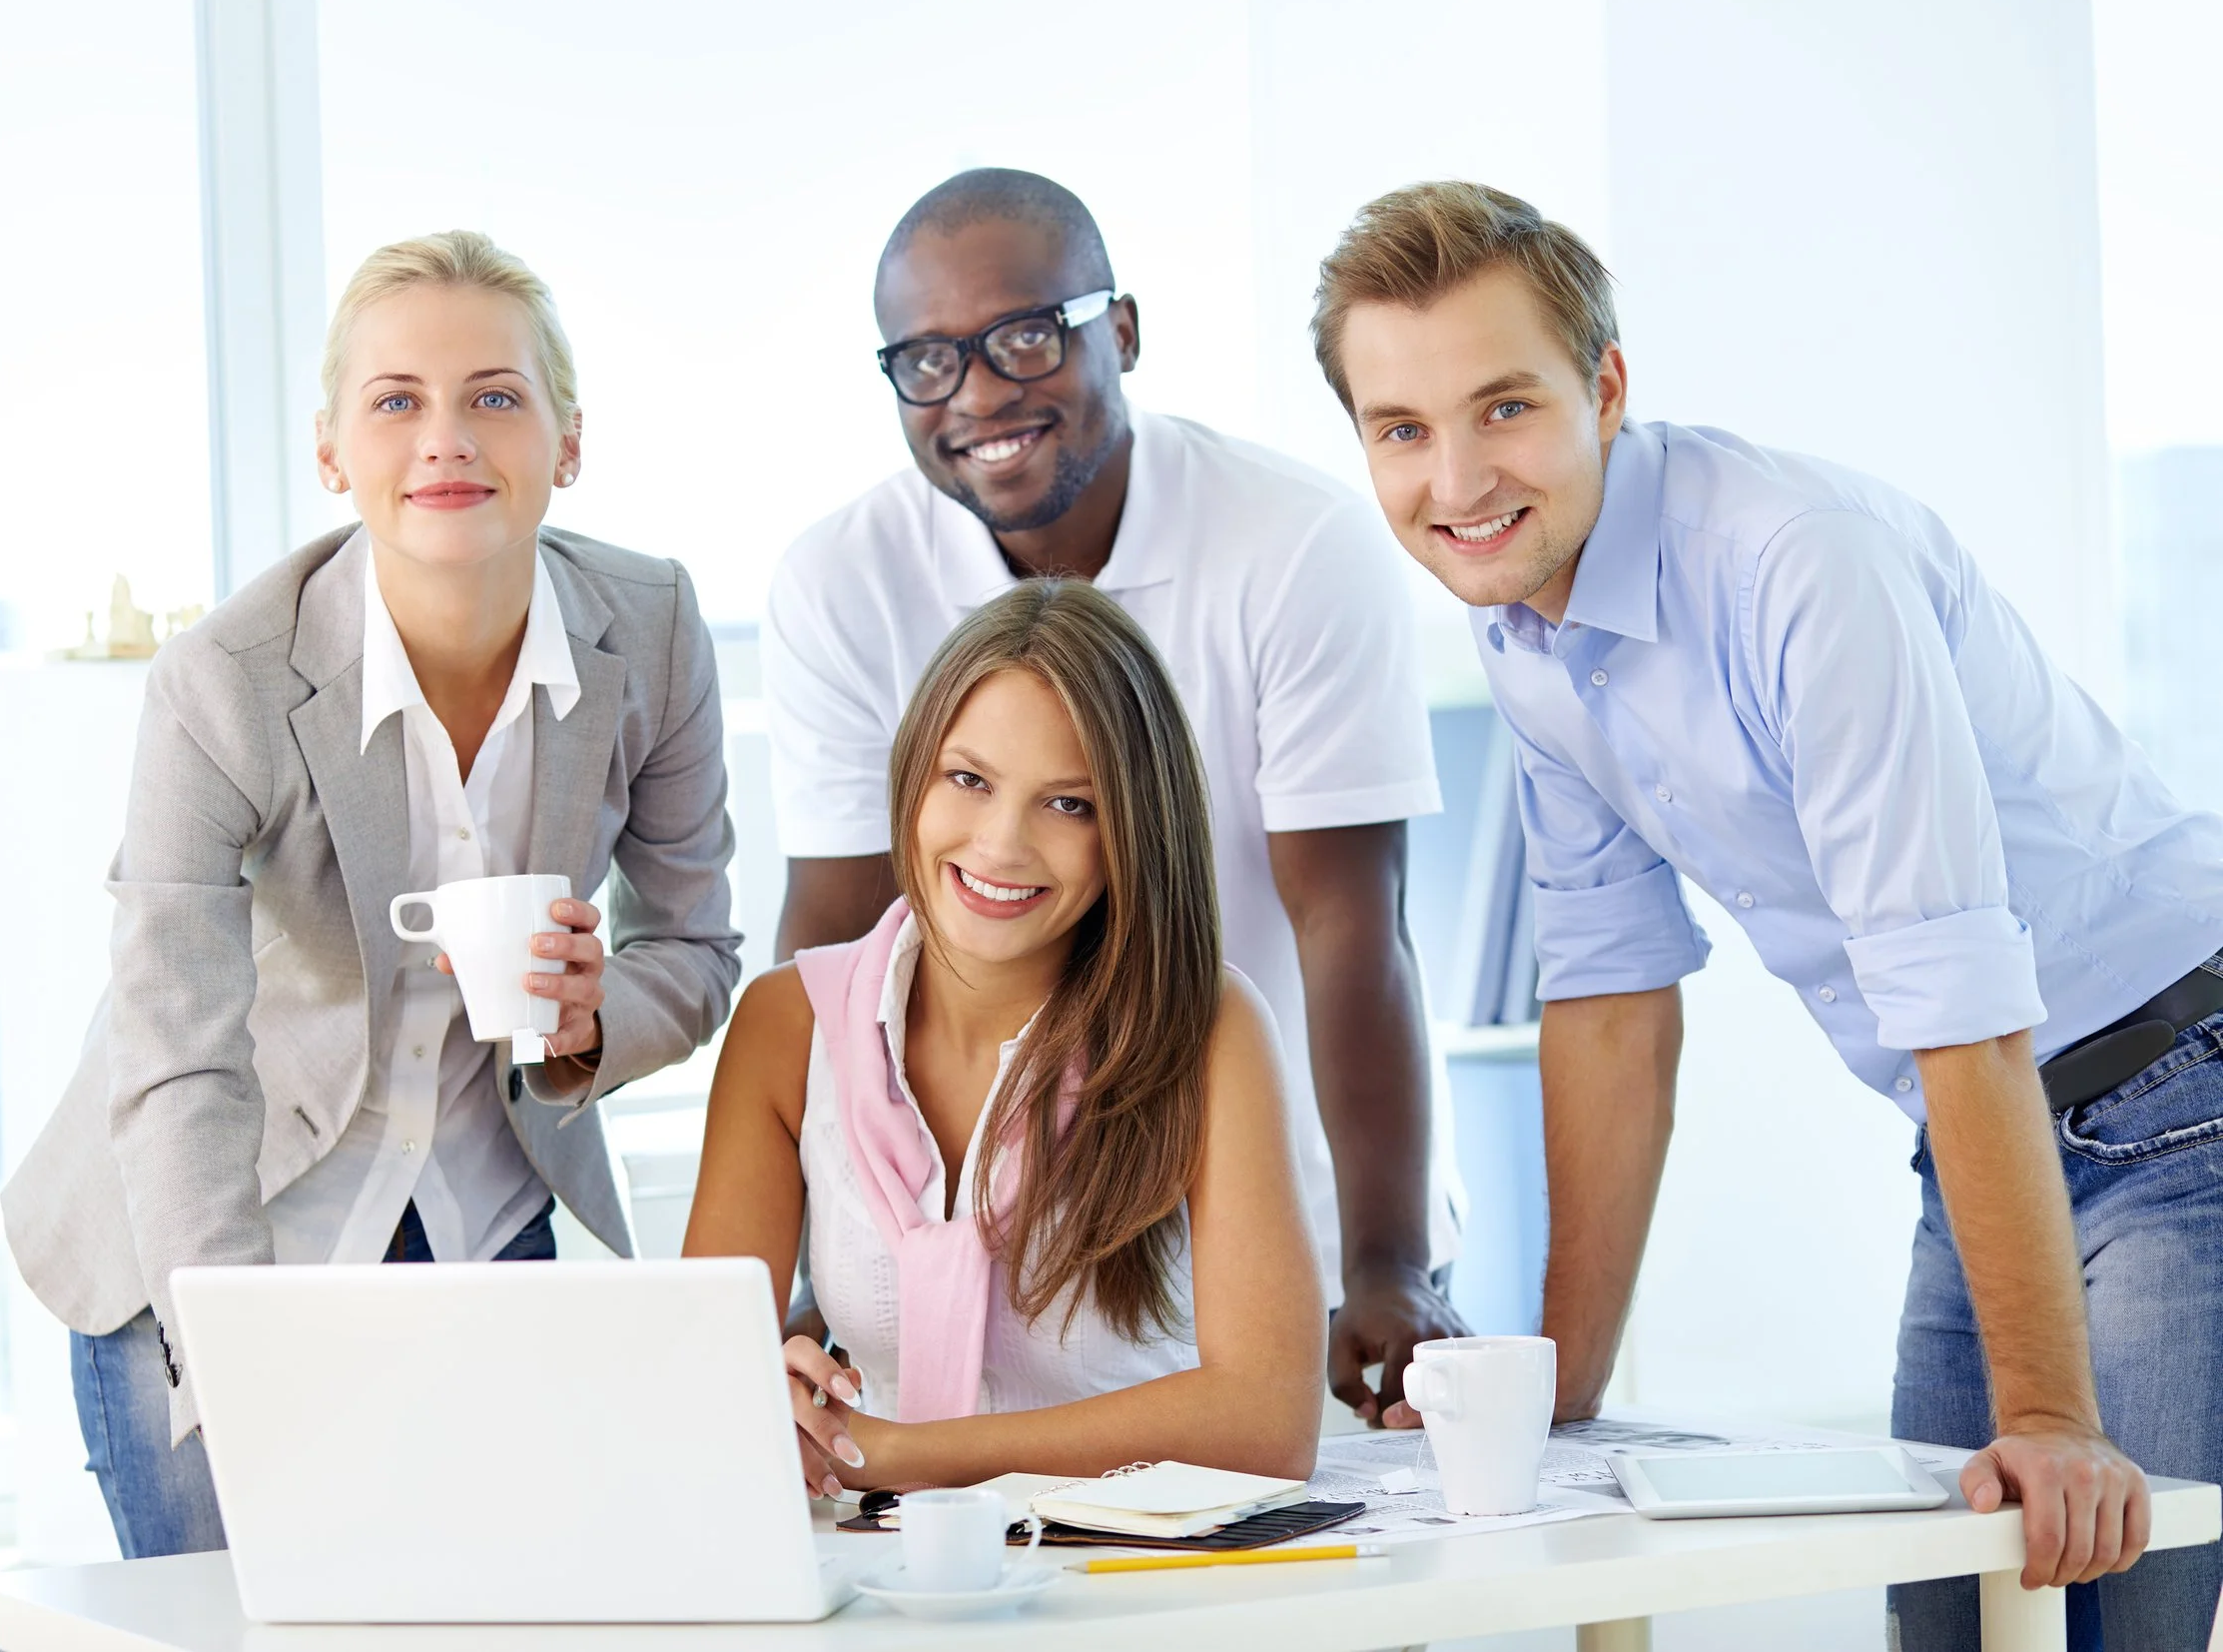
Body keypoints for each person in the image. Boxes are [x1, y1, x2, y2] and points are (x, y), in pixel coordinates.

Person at [1310, 179, 2223, 1650]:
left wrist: (2051, 1411)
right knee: (1951, 1623)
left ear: (1604, 388)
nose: (1459, 477)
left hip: (2179, 1101)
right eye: (1401, 430)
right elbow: (1610, 1004)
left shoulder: (1796, 564)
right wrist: (1559, 1408)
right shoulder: (1526, 632)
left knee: (2102, 1601)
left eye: (1504, 408)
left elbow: (1960, 986)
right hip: (1979, 1130)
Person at [1, 231, 740, 1558]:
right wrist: (235, 1346)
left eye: (495, 396)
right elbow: (177, 1053)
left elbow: (692, 948)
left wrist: (588, 1019)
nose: (446, 438)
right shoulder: (226, 680)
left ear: (569, 439)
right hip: (219, 1223)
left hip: (482, 1217)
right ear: (333, 452)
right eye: (397, 400)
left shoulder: (658, 628)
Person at [764, 168, 1465, 1424]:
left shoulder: (1293, 543)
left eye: (1026, 336)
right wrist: (833, 1267)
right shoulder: (837, 578)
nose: (978, 392)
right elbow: (835, 927)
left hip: (1281, 1214)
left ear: (1121, 330)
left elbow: (1349, 926)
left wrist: (1385, 1260)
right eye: (925, 359)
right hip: (969, 1246)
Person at [684, 577, 1322, 1487]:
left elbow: (1268, 1418)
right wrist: (769, 1402)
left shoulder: (1209, 1028)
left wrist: (899, 1453)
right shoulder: (788, 1026)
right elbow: (701, 1382)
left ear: (1131, 832)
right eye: (970, 779)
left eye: (1070, 804)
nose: (1000, 845)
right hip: (892, 1580)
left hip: (1142, 1580)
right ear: (914, 773)